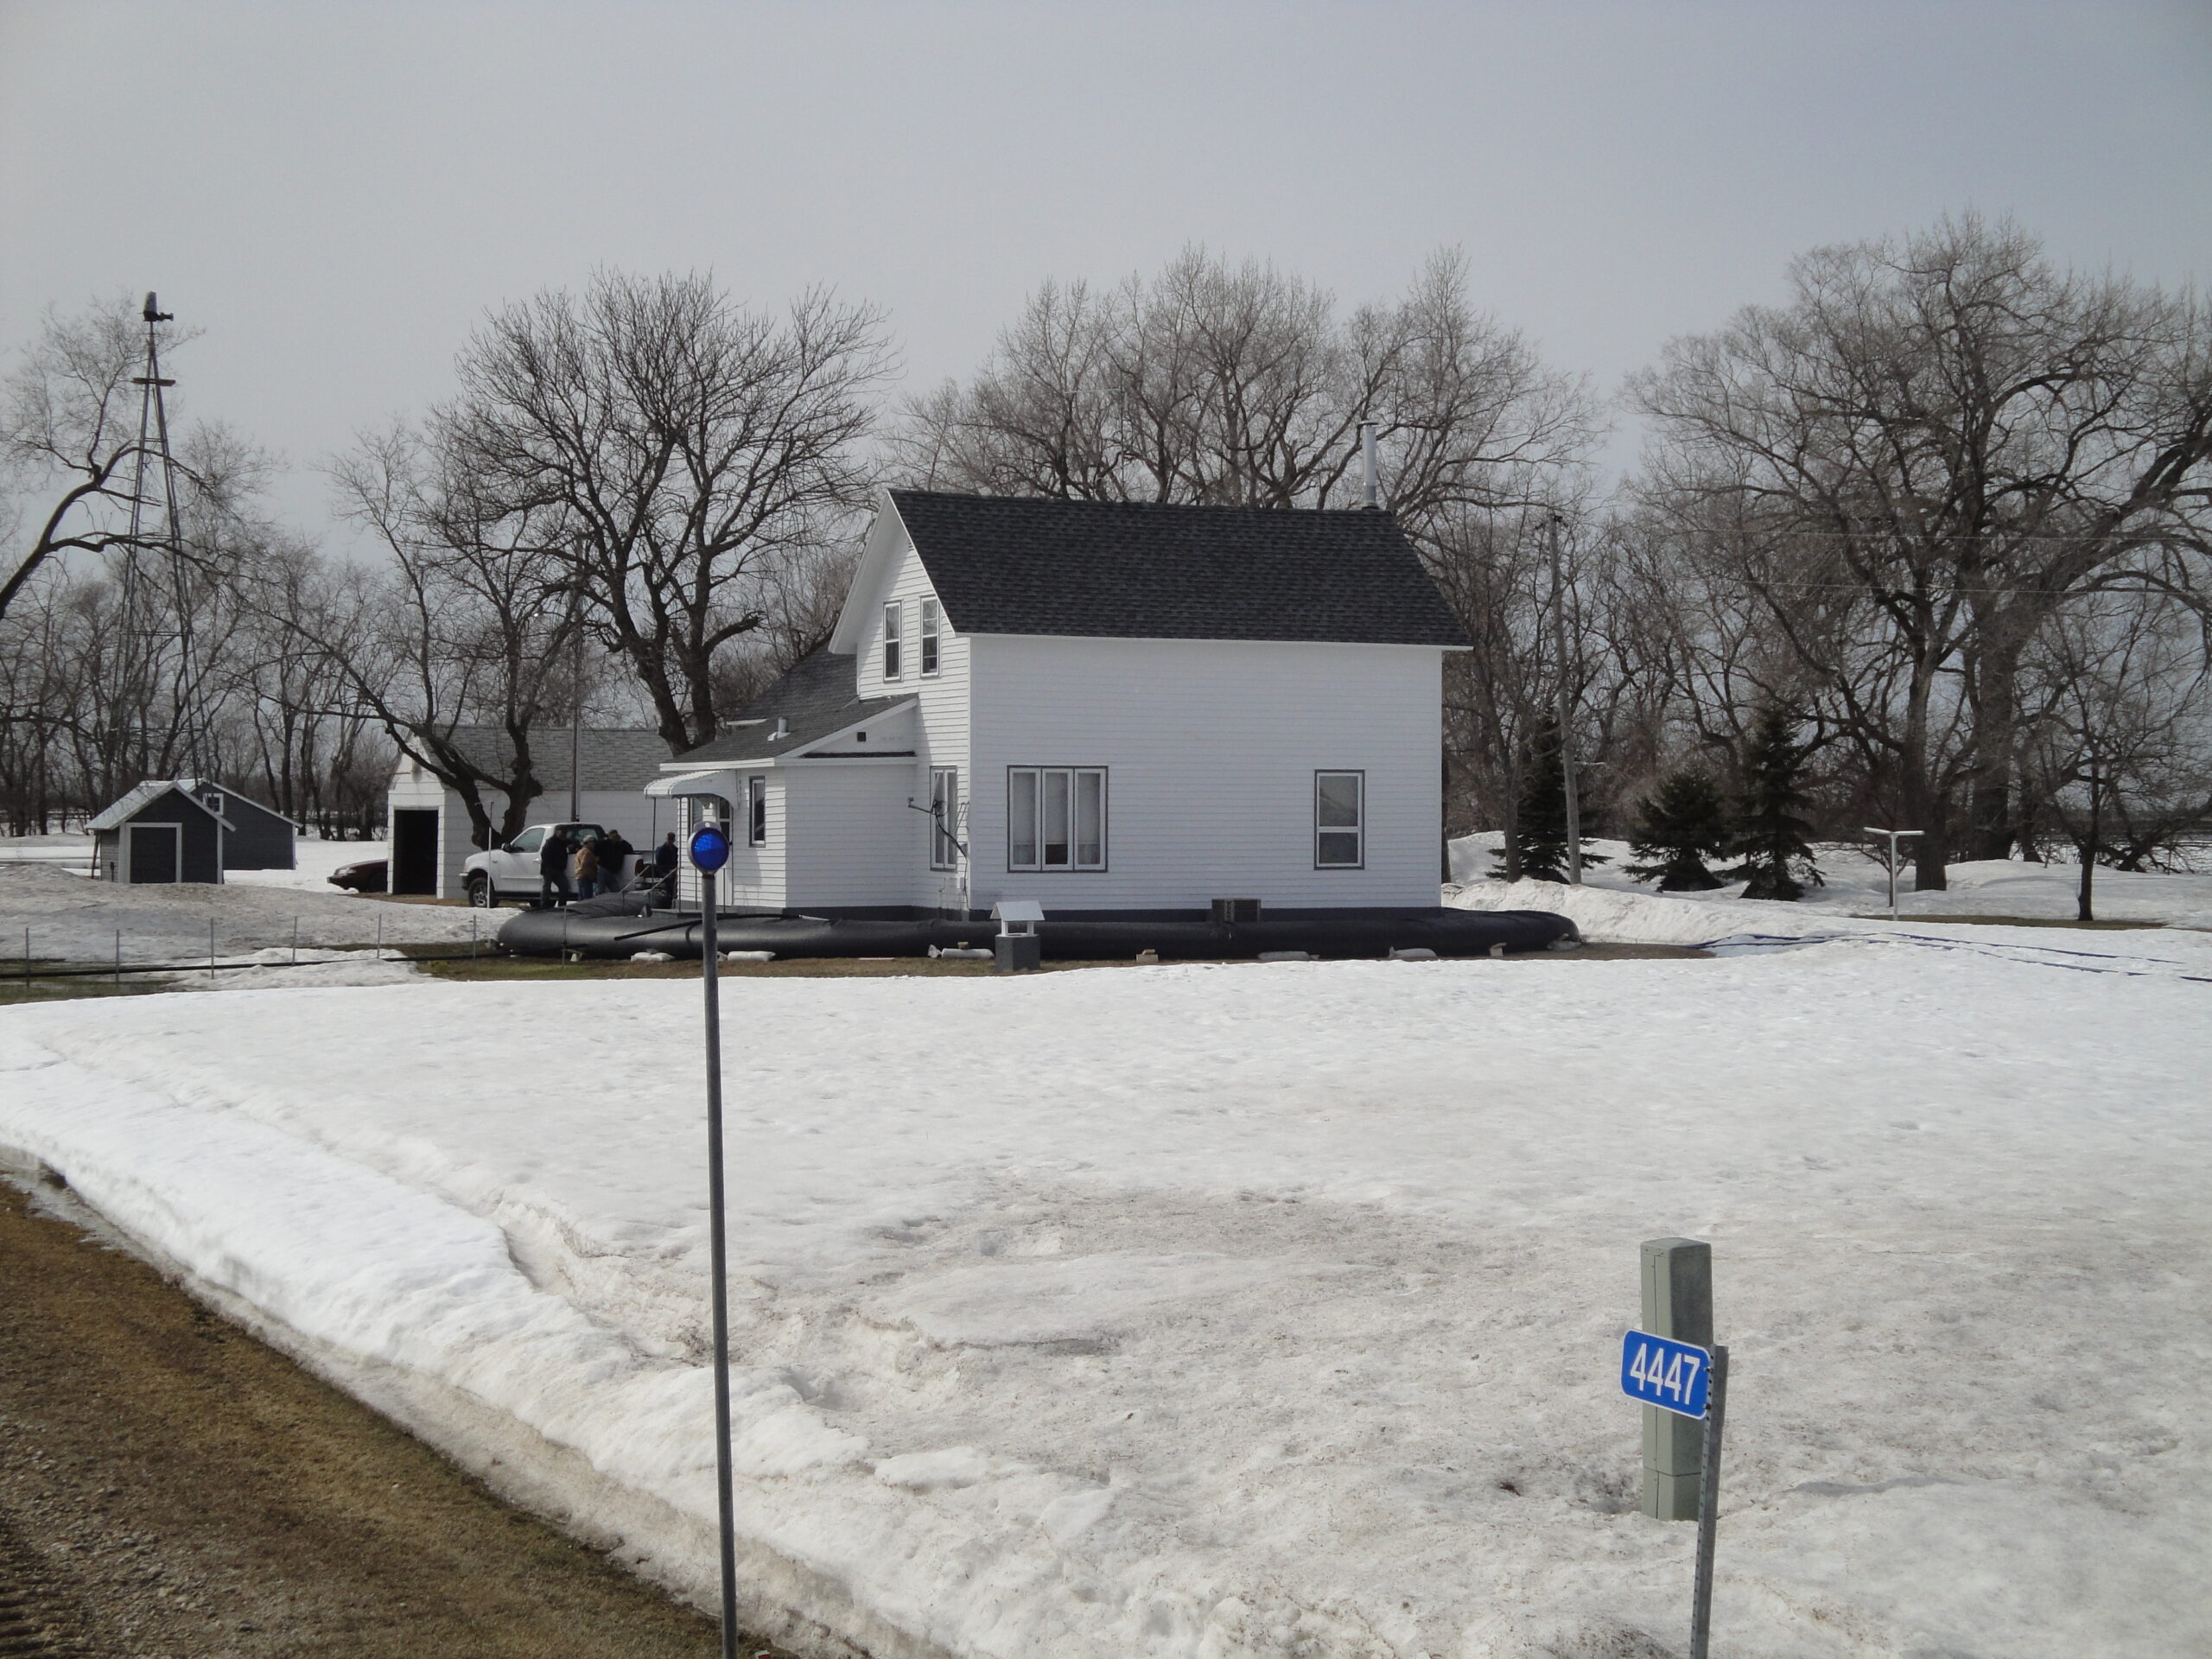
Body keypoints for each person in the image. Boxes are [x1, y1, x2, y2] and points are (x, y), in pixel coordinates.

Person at [538, 827, 574, 908]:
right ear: (557, 832)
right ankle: (544, 905)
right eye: (562, 833)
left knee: (564, 886)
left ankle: (562, 905)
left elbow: (573, 842)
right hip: (549, 868)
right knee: (547, 888)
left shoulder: (563, 842)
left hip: (558, 869)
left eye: (565, 833)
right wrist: (547, 866)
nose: (563, 835)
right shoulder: (551, 842)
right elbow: (544, 854)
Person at [597, 827, 633, 892]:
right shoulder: (604, 843)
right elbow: (597, 847)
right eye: (613, 835)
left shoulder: (621, 845)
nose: (615, 838)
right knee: (601, 889)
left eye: (616, 836)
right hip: (604, 868)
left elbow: (630, 849)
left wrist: (622, 840)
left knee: (616, 890)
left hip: (613, 871)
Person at [573, 834, 600, 901]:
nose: (593, 844)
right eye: (592, 842)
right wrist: (592, 876)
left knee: (581, 898)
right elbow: (585, 865)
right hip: (586, 878)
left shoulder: (580, 852)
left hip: (580, 877)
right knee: (587, 899)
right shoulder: (586, 853)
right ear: (587, 843)